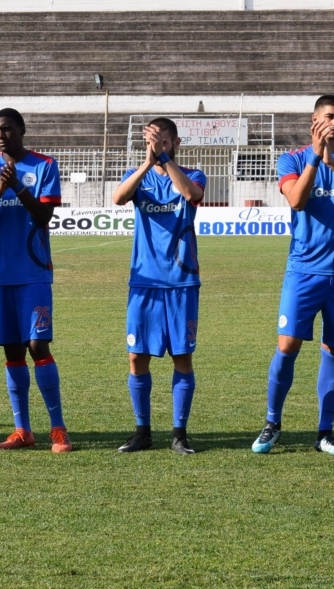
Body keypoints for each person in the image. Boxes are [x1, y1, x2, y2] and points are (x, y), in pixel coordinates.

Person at [251, 95, 334, 456]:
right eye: (329, 116)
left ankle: (325, 433)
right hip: (303, 270)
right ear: (315, 120)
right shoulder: (291, 159)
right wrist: (316, 159)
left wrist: (332, 162)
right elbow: (296, 200)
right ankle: (272, 424)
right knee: (287, 346)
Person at [0, 108, 72, 452]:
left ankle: (58, 429)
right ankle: (22, 430)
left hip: (33, 272)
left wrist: (17, 186)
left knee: (37, 345)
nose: (1, 135)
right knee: (12, 349)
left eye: (7, 129)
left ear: (22, 130)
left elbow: (44, 215)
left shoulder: (44, 166)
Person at [111, 119, 205, 455]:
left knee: (182, 356)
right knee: (137, 356)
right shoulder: (138, 176)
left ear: (176, 143)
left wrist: (164, 159)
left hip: (181, 282)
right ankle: (143, 431)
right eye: (152, 141)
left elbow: (193, 195)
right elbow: (118, 198)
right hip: (145, 282)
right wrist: (148, 162)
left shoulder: (193, 174)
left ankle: (179, 434)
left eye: (163, 141)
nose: (157, 146)